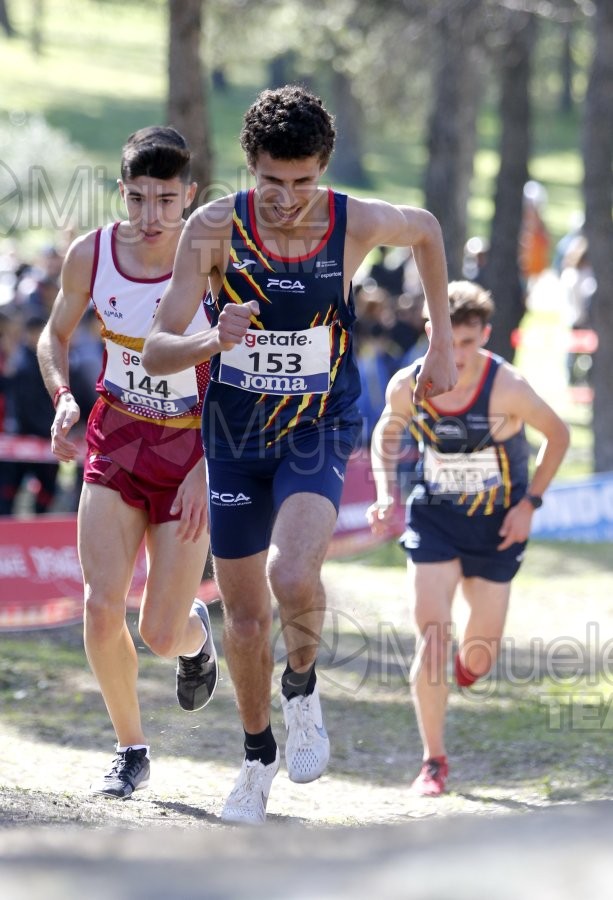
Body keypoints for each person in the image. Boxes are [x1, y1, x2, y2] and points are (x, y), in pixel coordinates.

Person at [143, 84, 456, 825]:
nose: (286, 199)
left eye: (303, 182)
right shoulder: (212, 229)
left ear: (323, 169)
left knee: (293, 571)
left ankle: (304, 686)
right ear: (249, 168)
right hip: (234, 439)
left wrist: (441, 337)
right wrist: (211, 340)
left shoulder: (352, 222)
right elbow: (157, 348)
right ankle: (255, 760)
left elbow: (428, 228)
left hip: (318, 426)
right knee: (245, 620)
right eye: (270, 183)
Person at [36, 126, 218, 799]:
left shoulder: (212, 260)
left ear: (189, 196)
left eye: (165, 200)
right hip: (115, 441)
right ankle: (130, 749)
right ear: (121, 194)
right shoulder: (93, 254)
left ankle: (196, 642)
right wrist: (62, 399)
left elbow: (240, 369)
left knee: (160, 632)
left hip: (187, 453)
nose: (150, 216)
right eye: (137, 199)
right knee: (99, 604)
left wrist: (210, 463)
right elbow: (55, 337)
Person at [366, 281, 570, 796]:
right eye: (446, 342)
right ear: (430, 331)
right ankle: (433, 761)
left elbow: (559, 434)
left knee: (479, 655)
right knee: (432, 638)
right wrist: (387, 491)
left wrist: (530, 504)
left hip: (496, 524)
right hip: (434, 517)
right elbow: (386, 433)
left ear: (483, 335)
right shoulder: (408, 385)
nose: (454, 356)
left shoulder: (508, 388)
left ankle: (466, 667)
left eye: (467, 343)